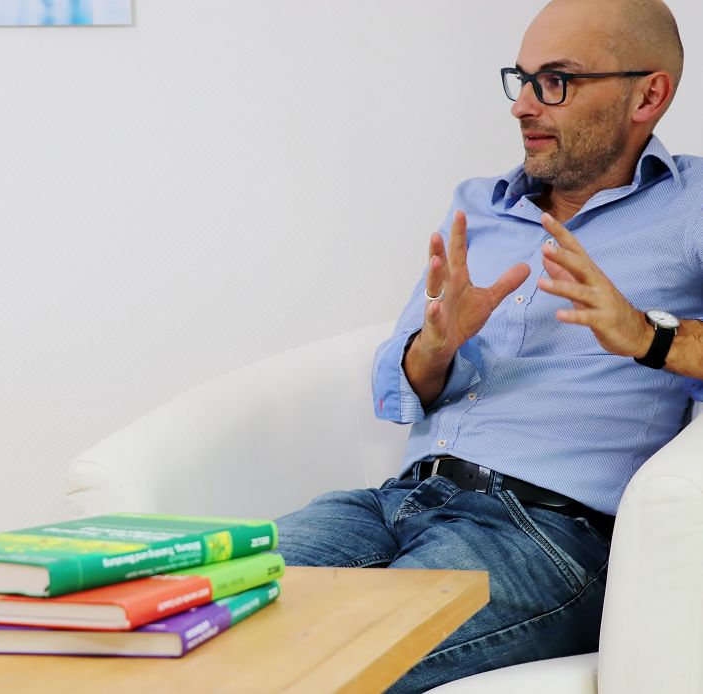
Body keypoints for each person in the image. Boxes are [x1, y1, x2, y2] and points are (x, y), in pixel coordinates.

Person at [275, 0, 703, 691]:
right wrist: (436, 345)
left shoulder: (692, 206)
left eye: (556, 81)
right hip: (392, 502)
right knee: (190, 618)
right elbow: (398, 388)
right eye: (522, 78)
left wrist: (648, 337)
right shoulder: (478, 204)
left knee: (315, 663)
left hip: (538, 533)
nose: (522, 106)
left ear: (647, 95)